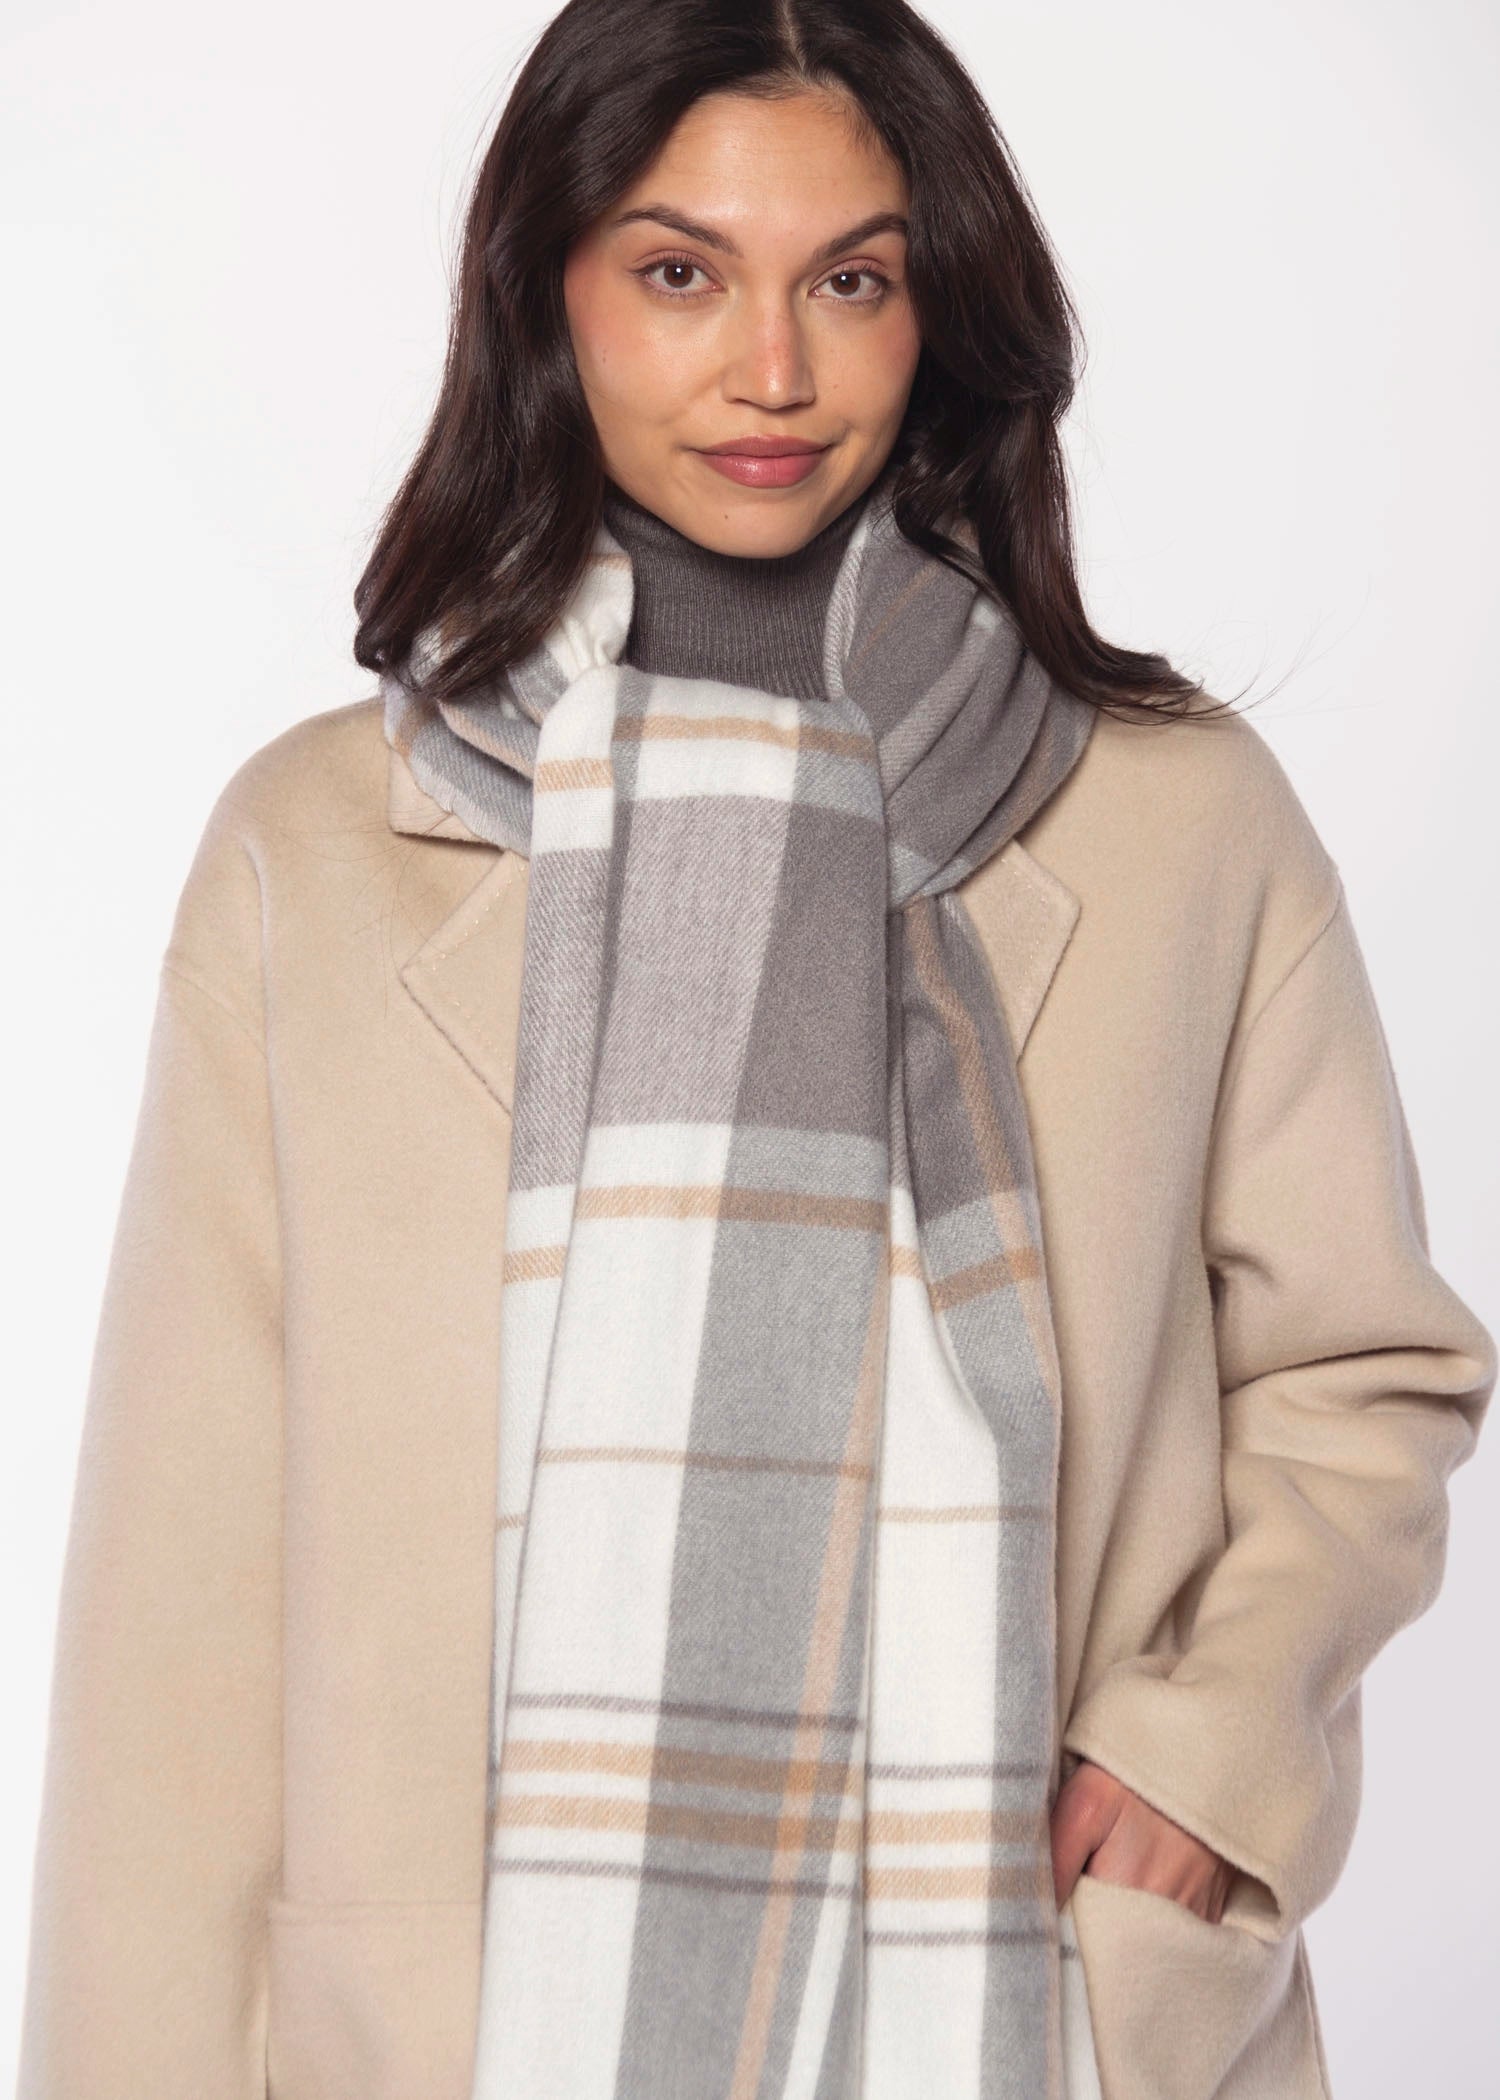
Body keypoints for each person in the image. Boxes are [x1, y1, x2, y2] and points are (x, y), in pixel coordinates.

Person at [15, 3, 1494, 2097]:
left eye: (853, 281)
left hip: (1019, 1998)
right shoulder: (314, 855)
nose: (774, 371)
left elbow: (1365, 1369)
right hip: (458, 2022)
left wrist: (1210, 1757)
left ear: (940, 307)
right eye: (680, 271)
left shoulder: (1181, 819)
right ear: (547, 294)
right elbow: (184, 1585)